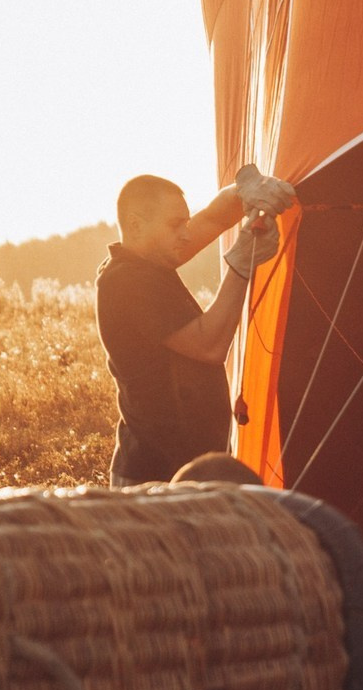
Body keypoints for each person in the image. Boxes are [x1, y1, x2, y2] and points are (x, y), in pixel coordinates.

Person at [95, 166, 297, 487]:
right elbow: (209, 346)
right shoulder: (125, 282)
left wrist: (243, 192)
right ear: (135, 225)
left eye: (185, 223)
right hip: (154, 474)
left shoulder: (151, 259)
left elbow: (215, 219)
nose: (186, 234)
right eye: (176, 225)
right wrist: (241, 265)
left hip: (187, 465)